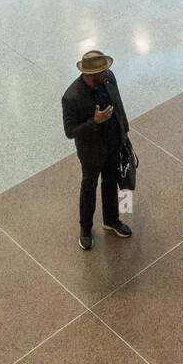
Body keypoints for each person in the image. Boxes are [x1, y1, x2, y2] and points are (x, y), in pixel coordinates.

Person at [62, 51, 133, 251]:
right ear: (90, 74)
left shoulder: (109, 79)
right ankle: (85, 229)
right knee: (89, 188)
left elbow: (118, 104)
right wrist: (95, 121)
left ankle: (111, 220)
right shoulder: (71, 97)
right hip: (91, 153)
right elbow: (70, 132)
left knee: (111, 184)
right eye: (102, 71)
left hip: (112, 144)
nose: (107, 73)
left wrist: (124, 130)